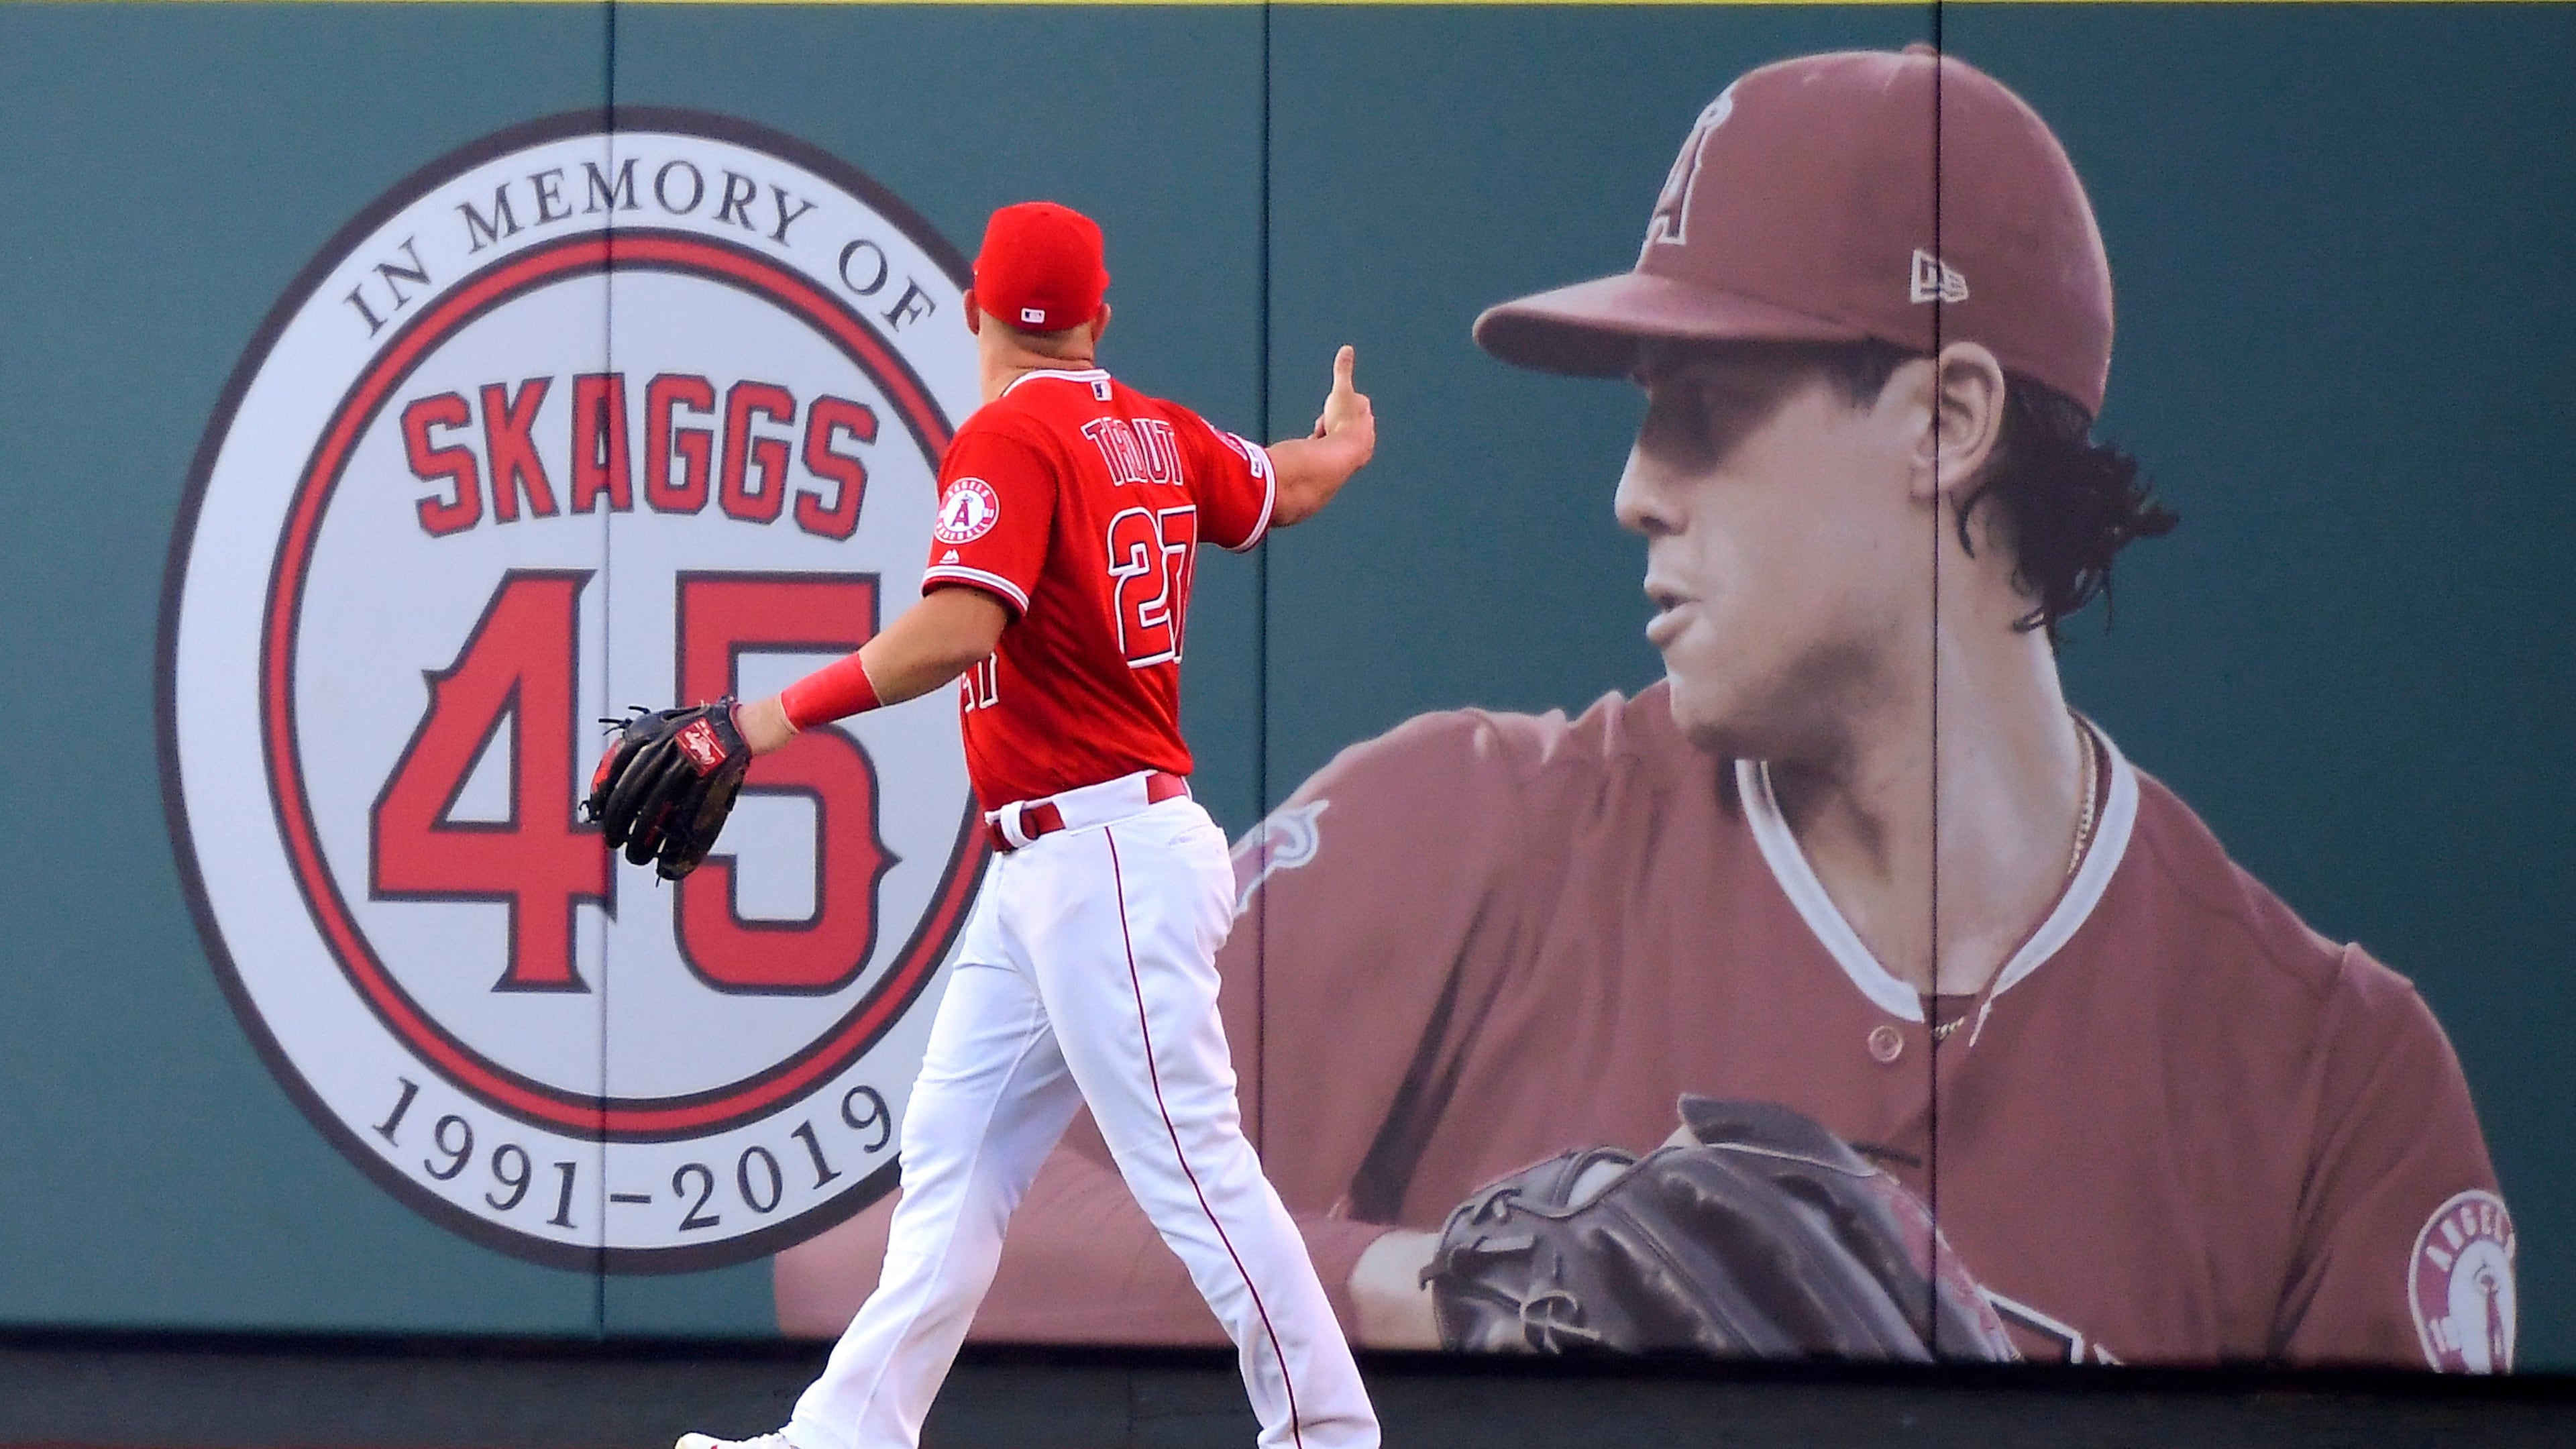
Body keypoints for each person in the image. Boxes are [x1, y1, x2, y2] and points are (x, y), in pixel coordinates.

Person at [776, 50, 2512, 1371]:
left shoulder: (2334, 1084)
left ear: (1944, 419)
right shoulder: (1471, 830)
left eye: (1701, 407)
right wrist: (1441, 1283)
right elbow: (861, 1262)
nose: (1633, 491)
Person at [688, 201, 1383, 1449]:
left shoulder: (1010, 438)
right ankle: (838, 1441)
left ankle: (1331, 1438)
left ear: (975, 311)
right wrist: (1344, 444)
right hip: (1061, 869)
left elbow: (959, 630)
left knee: (1197, 1173)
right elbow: (1289, 486)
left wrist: (762, 721)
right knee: (952, 1165)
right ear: (1100, 318)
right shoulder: (1153, 432)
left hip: (1103, 862)